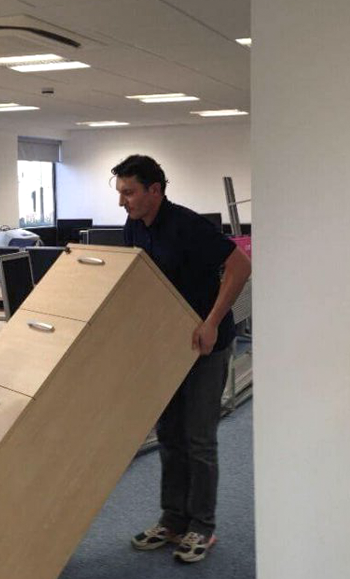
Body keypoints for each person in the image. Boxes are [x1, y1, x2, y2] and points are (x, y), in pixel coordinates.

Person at [112, 155, 251, 563]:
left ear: (155, 190)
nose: (123, 201)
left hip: (206, 343)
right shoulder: (134, 228)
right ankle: (173, 520)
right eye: (120, 193)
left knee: (198, 438)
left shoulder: (188, 225)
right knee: (170, 434)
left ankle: (202, 528)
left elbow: (240, 266)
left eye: (130, 192)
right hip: (167, 345)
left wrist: (211, 321)